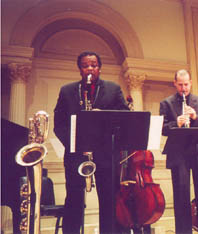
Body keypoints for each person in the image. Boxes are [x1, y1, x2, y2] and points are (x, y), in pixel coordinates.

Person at [54, 51, 130, 234]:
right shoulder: (67, 90)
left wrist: (103, 116)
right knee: (73, 199)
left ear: (99, 68)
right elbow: (59, 124)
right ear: (79, 69)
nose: (90, 69)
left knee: (109, 199)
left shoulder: (113, 89)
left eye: (94, 65)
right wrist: (74, 144)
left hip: (105, 154)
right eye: (86, 65)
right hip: (76, 155)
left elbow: (125, 118)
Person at [159, 69, 198, 234]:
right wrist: (175, 123)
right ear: (175, 84)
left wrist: (195, 118)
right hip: (179, 154)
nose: (183, 88)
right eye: (180, 85)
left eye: (186, 84)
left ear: (190, 83)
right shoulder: (166, 103)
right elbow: (162, 128)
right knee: (181, 197)